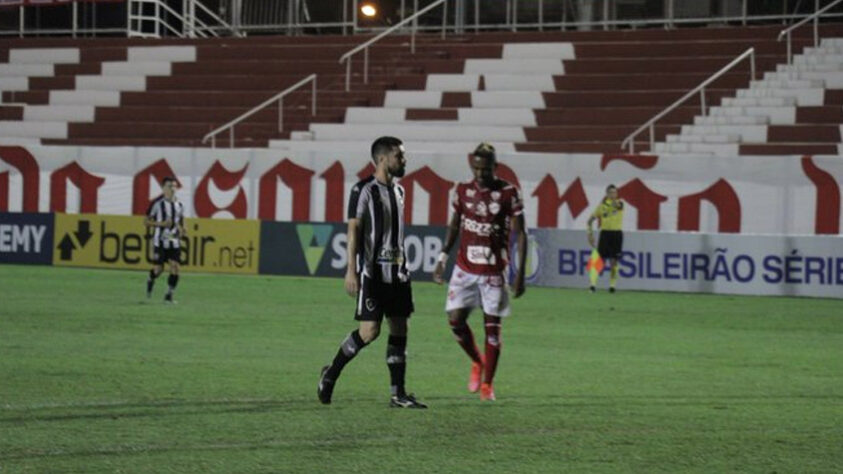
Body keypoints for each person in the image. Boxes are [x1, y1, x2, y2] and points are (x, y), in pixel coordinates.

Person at [317, 136, 427, 409]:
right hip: (374, 274)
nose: (404, 160)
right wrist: (351, 269)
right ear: (382, 159)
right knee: (370, 331)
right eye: (399, 156)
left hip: (399, 273)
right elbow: (354, 229)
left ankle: (398, 394)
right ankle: (331, 374)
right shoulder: (363, 190)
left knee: (400, 327)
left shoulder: (399, 191)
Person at [432, 143, 527, 401]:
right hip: (465, 268)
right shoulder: (462, 191)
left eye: (485, 169)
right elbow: (454, 225)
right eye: (476, 169)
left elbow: (520, 234)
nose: (480, 174)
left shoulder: (509, 193)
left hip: (494, 272)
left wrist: (519, 274)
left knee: (492, 330)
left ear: (495, 168)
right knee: (455, 320)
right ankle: (477, 361)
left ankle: (488, 386)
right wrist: (442, 257)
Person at [145, 176, 186, 303]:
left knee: (175, 267)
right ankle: (151, 278)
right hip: (160, 242)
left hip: (174, 241)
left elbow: (181, 220)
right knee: (159, 269)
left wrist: (183, 229)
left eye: (174, 186)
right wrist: (162, 224)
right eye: (169, 186)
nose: (172, 188)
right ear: (163, 188)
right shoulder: (157, 204)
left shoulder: (180, 204)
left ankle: (169, 295)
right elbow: (146, 222)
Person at [586, 184, 625, 293]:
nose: (613, 194)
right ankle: (592, 285)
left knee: (614, 262)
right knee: (599, 260)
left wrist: (611, 204)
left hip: (617, 234)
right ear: (607, 194)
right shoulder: (601, 207)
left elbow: (618, 206)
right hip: (605, 234)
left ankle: (612, 286)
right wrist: (590, 234)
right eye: (611, 192)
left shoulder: (620, 203)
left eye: (615, 192)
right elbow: (589, 221)